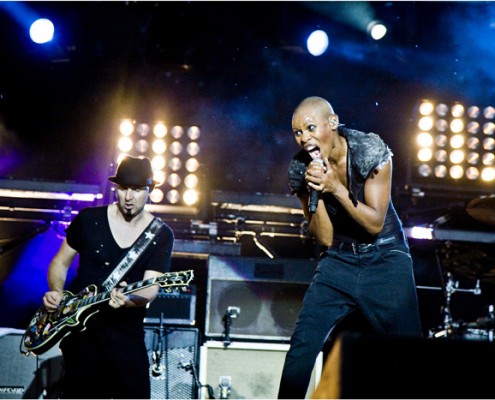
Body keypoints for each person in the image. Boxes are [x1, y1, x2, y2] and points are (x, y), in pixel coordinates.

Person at [278, 96, 423, 399]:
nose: (304, 138)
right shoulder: (300, 168)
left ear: (332, 123)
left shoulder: (371, 152)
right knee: (302, 346)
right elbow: (325, 239)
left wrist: (337, 189)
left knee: (409, 354)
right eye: (297, 132)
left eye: (309, 128)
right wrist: (315, 193)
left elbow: (373, 223)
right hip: (339, 260)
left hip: (385, 256)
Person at [42, 155, 175, 399]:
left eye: (137, 189)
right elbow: (60, 262)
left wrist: (129, 298)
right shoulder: (89, 219)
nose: (129, 196)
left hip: (125, 334)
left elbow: (150, 289)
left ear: (150, 190)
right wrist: (56, 291)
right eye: (123, 188)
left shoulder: (160, 234)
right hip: (82, 333)